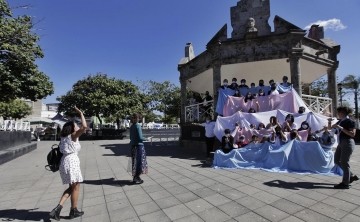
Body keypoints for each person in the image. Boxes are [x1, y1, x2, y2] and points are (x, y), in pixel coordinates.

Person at [49, 106, 87, 220]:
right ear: (71, 128)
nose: (77, 126)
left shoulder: (63, 137)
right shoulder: (73, 136)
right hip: (71, 162)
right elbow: (84, 126)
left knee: (73, 187)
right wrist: (81, 113)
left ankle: (70, 209)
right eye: (75, 125)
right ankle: (65, 209)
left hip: (64, 163)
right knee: (75, 187)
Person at [332, 107, 358, 189]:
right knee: (336, 160)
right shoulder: (340, 121)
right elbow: (332, 129)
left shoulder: (350, 121)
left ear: (342, 113)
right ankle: (351, 176)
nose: (338, 114)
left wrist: (341, 128)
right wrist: (330, 124)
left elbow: (352, 134)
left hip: (347, 142)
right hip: (340, 143)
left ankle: (345, 183)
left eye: (339, 112)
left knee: (344, 162)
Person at [130, 113, 148, 184]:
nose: (136, 119)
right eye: (136, 118)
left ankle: (135, 177)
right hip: (139, 146)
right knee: (140, 162)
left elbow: (131, 138)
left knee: (135, 162)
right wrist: (147, 139)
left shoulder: (131, 126)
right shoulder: (138, 126)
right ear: (138, 119)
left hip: (133, 146)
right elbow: (140, 138)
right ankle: (137, 177)